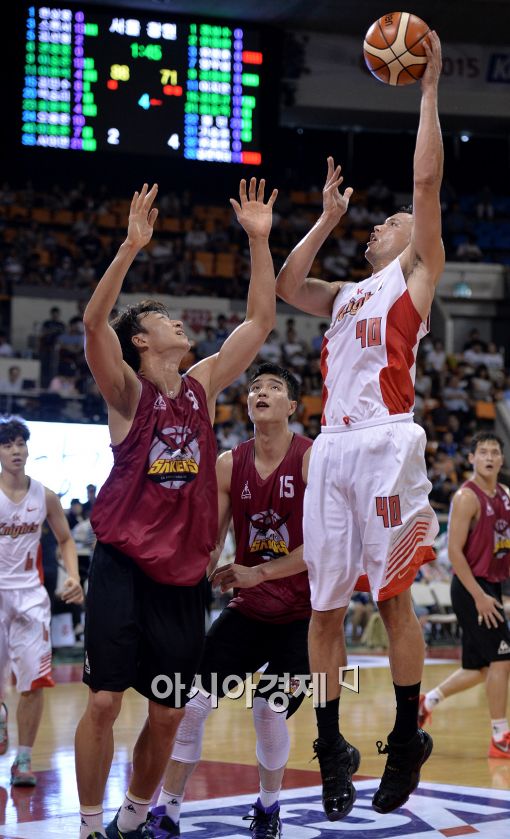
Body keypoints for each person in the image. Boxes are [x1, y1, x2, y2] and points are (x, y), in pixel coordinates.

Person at [75, 177, 278, 839]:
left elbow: (260, 321)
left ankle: (132, 819)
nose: (180, 324)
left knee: (166, 713)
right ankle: (85, 825)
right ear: (143, 339)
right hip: (123, 563)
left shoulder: (201, 385)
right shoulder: (129, 391)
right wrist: (131, 247)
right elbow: (93, 323)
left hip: (184, 579)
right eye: (165, 320)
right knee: (104, 698)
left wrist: (258, 241)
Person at [275, 32, 444, 820]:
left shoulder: (416, 276)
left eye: (392, 219)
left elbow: (424, 177)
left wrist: (427, 90)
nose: (384, 223)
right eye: (377, 222)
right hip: (331, 452)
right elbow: (286, 283)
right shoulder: (346, 292)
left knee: (397, 602)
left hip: (385, 440)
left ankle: (408, 734)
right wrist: (326, 217)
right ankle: (332, 740)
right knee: (325, 610)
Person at [152, 363, 311, 839]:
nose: (261, 392)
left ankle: (268, 808)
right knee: (193, 702)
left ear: (292, 407)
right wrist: (179, 589)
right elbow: (211, 542)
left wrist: (257, 570)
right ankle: (169, 810)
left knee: (267, 709)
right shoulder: (228, 463)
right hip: (248, 608)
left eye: (274, 388)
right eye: (255, 387)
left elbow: (325, 545)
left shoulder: (311, 457)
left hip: (303, 614)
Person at [0, 417, 83, 784]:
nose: (16, 450)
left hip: (32, 598)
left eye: (20, 443)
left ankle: (23, 760)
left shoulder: (44, 495)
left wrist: (73, 576)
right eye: (7, 445)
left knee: (33, 682)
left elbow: (65, 539)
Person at [419, 432, 510, 758]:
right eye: (482, 451)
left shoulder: (505, 495)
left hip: (491, 585)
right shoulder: (465, 497)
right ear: (471, 458)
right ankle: (500, 735)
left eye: (494, 452)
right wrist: (480, 597)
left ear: (501, 459)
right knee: (502, 659)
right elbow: (455, 554)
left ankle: (427, 701)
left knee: (480, 668)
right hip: (471, 587)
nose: (488, 457)